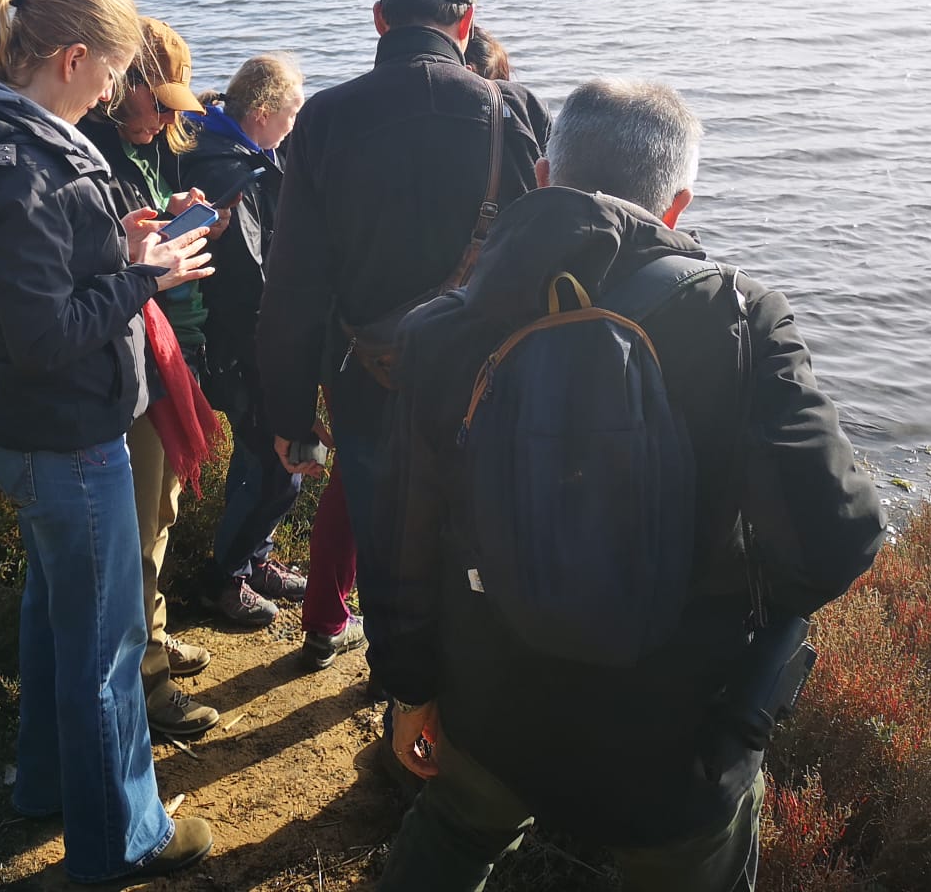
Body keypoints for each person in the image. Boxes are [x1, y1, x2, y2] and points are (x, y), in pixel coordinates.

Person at [370, 78, 887, 892]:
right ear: (676, 205)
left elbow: (399, 532)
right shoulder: (743, 322)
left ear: (543, 177)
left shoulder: (442, 328)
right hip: (674, 737)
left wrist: (408, 689)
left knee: (455, 831)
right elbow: (840, 537)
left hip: (490, 707)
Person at [0, 0, 216, 882]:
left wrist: (118, 245)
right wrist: (144, 279)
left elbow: (36, 278)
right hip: (65, 433)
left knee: (53, 614)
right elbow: (47, 337)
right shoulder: (23, 170)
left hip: (30, 430)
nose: (117, 91)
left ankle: (43, 782)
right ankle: (125, 837)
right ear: (74, 59)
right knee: (107, 644)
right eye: (112, 71)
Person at [256, 0, 550, 669]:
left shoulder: (323, 118)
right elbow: (547, 252)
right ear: (467, 21)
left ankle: (395, 697)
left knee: (387, 541)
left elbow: (292, 283)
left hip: (368, 378)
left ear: (380, 19)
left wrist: (291, 419)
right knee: (476, 536)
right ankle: (458, 716)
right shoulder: (512, 111)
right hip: (487, 379)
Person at [79, 17, 223, 742]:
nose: (167, 118)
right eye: (155, 101)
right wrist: (154, 258)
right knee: (136, 532)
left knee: (160, 516)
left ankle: (154, 637)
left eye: (174, 105)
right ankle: (147, 685)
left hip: (168, 358)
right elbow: (102, 275)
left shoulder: (146, 151)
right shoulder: (92, 157)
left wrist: (176, 217)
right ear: (119, 83)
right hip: (134, 364)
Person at [179, 54, 315, 627]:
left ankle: (253, 558)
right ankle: (223, 579)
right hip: (244, 345)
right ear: (261, 113)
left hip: (245, 341)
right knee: (276, 463)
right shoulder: (235, 173)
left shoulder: (235, 151)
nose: (293, 126)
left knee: (271, 460)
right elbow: (257, 278)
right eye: (290, 114)